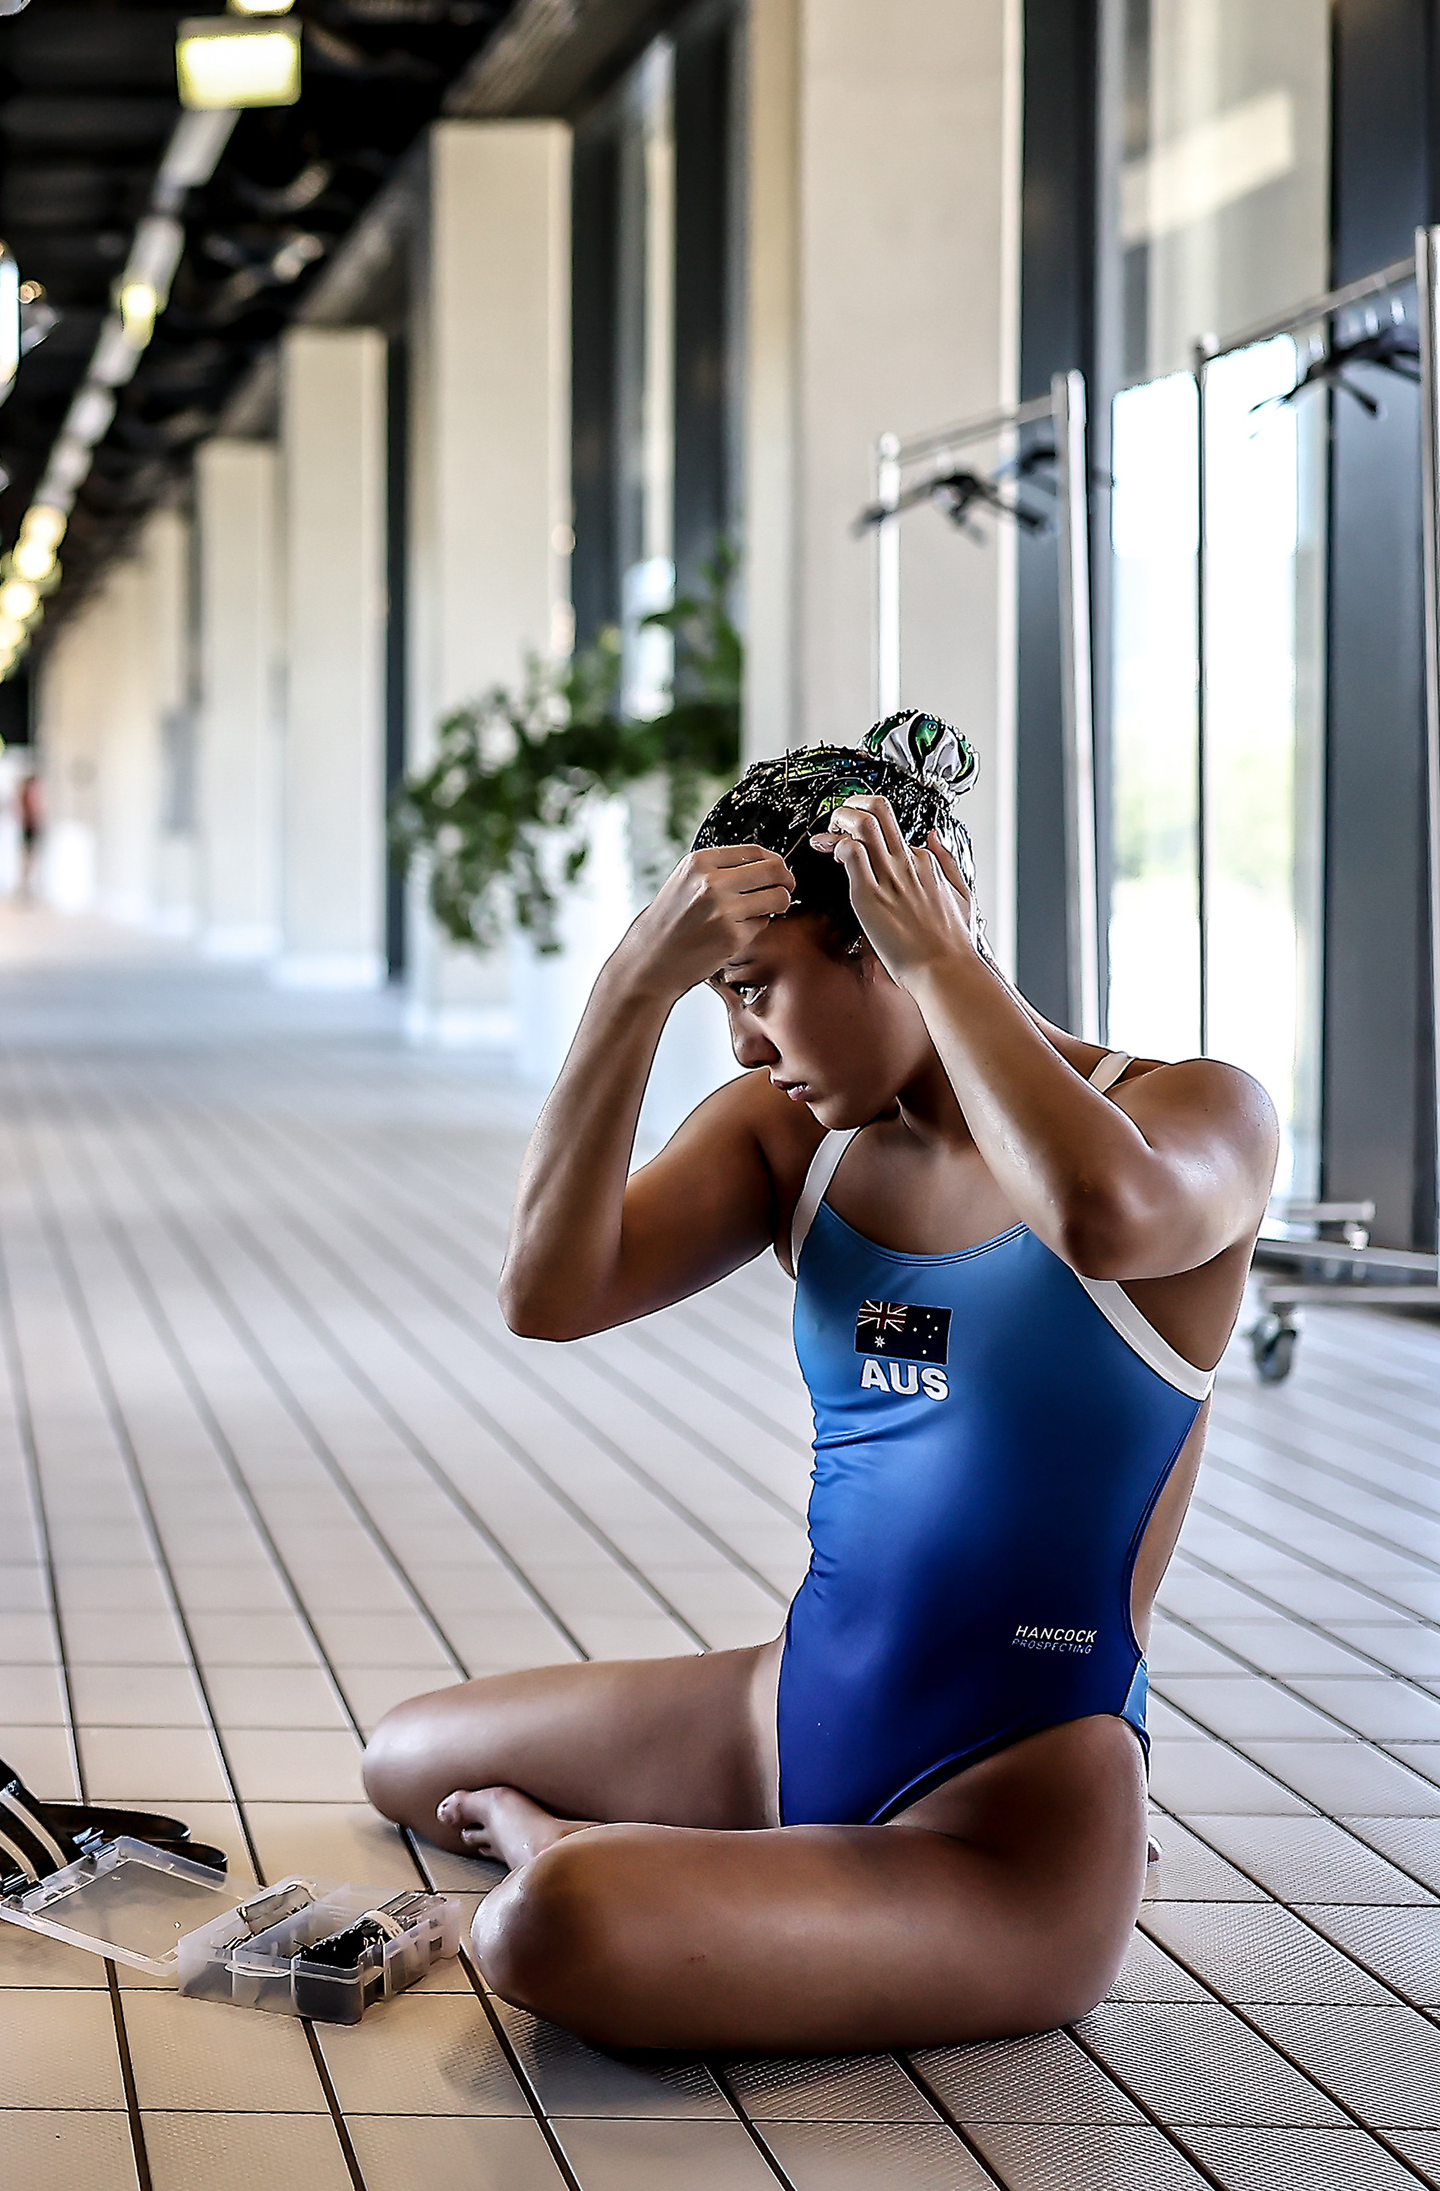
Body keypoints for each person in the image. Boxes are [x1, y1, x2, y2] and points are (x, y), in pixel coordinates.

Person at [358, 714, 1275, 2056]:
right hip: (787, 1714)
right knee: (403, 1756)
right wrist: (629, 985)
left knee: (544, 1926)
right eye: (720, 996)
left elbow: (1099, 1216)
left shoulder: (1193, 1113)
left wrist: (945, 959)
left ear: (893, 938)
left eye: (757, 989)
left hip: (1009, 1818)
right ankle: (706, 1867)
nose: (742, 1043)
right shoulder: (799, 1139)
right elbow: (547, 1295)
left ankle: (591, 1857)